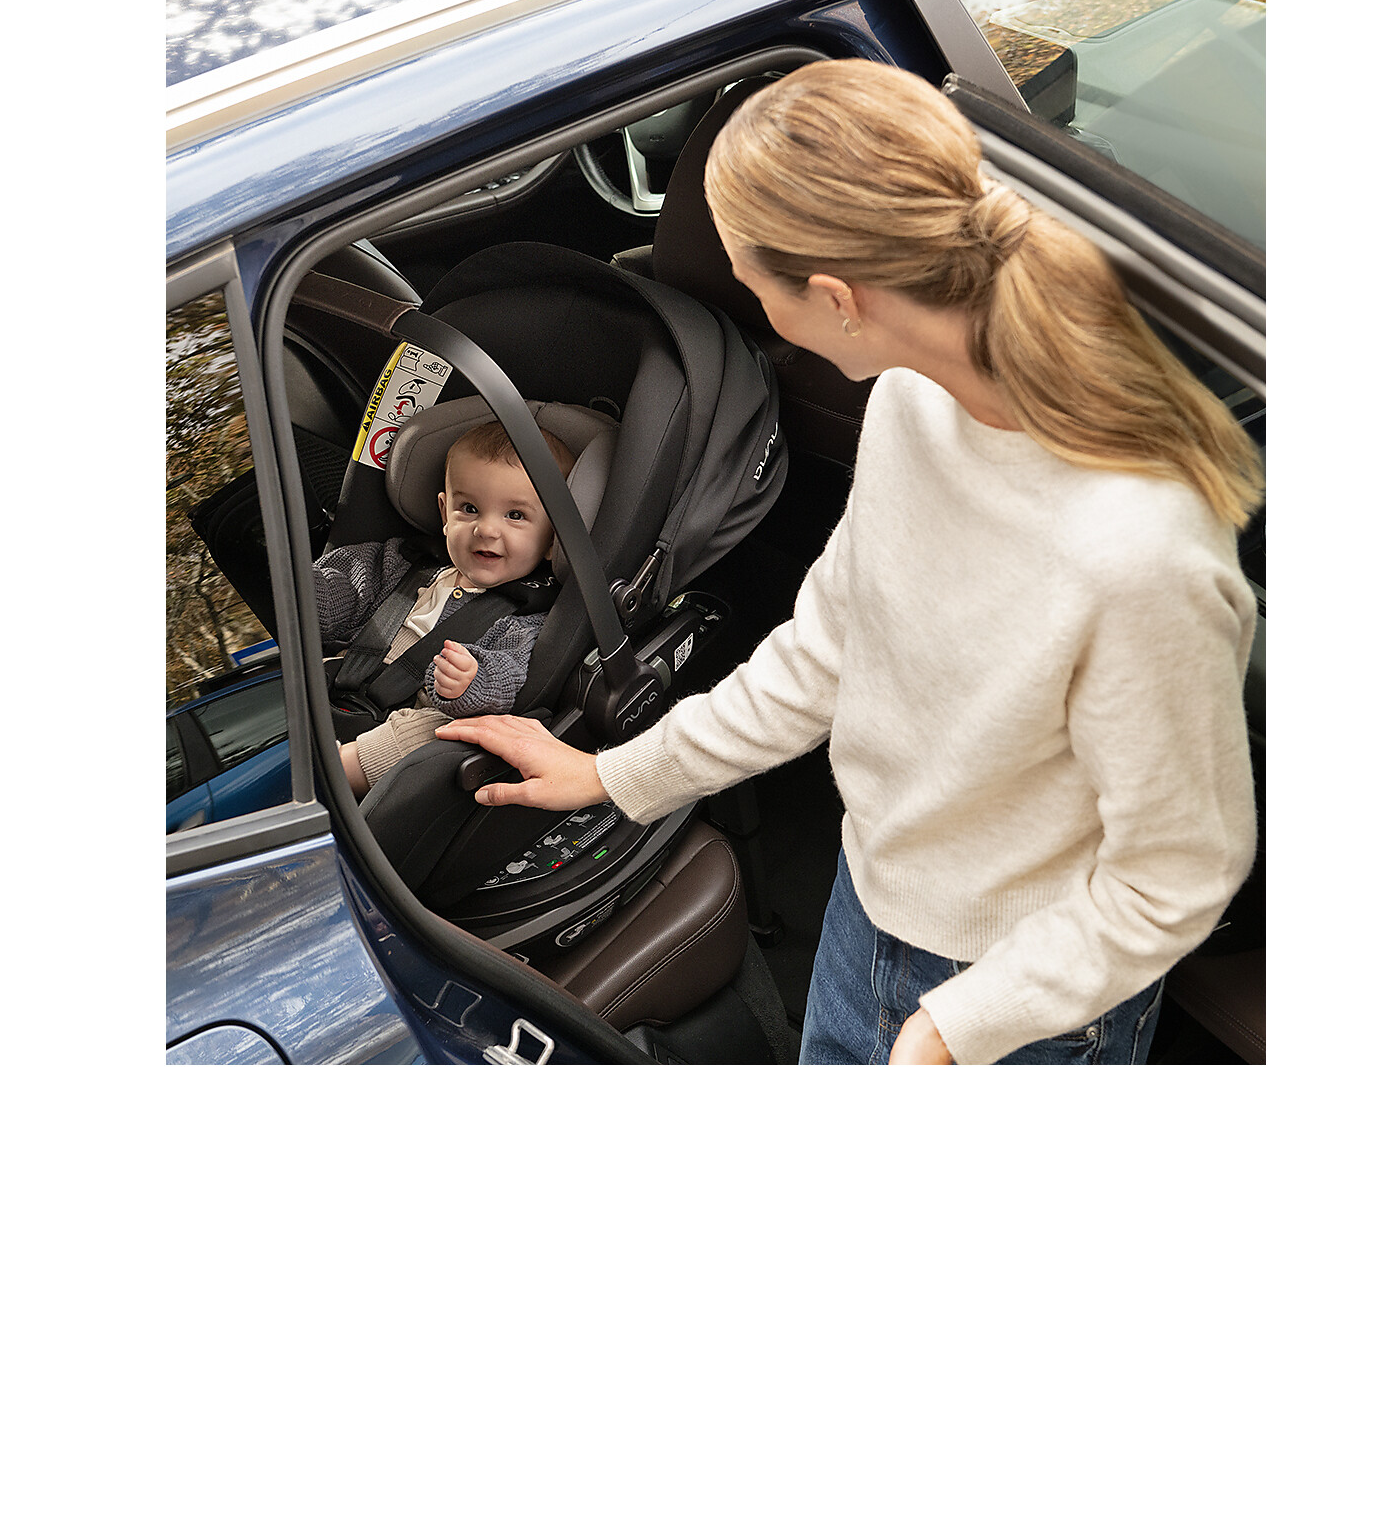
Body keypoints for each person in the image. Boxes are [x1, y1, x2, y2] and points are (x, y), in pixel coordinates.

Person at [441, 60, 1264, 1065]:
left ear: (838, 299)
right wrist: (616, 774)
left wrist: (959, 1026)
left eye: (754, 289)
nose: (753, 313)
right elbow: (829, 646)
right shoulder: (915, 399)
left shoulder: (1137, 554)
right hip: (869, 902)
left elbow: (1175, 875)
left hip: (1034, 995)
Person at [313, 419, 575, 798]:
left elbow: (510, 674)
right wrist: (309, 591)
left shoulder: (525, 616)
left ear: (552, 540)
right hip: (345, 684)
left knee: (430, 734)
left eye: (515, 516)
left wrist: (472, 680)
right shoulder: (403, 564)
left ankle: (332, 776)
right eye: (469, 508)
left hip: (426, 713)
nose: (486, 530)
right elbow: (345, 590)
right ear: (444, 513)